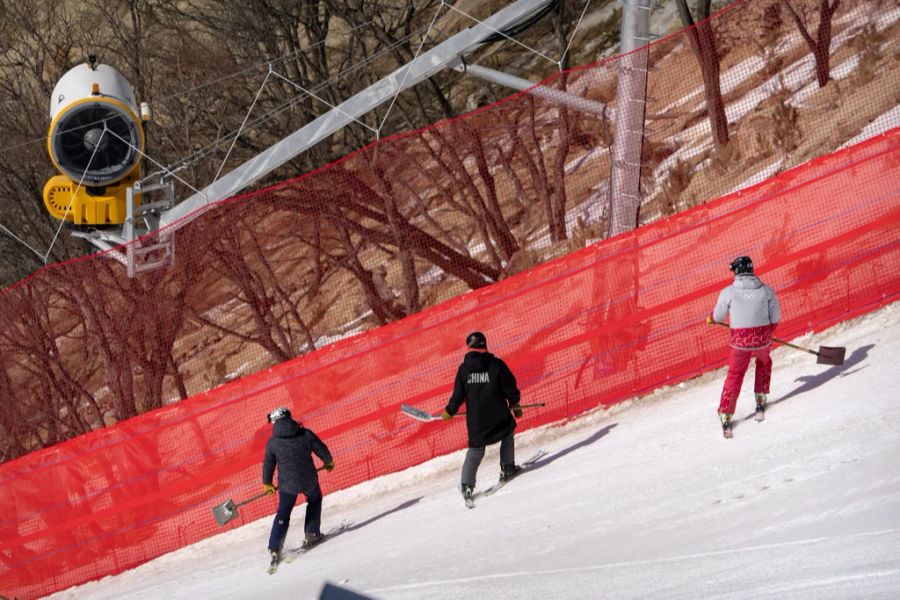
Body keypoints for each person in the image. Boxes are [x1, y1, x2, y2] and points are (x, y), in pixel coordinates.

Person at [442, 331, 524, 502]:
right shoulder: (496, 365)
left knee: (476, 450)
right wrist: (515, 404)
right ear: (485, 345)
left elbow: (458, 396)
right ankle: (507, 466)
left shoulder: (464, 370)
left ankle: (466, 484)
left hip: (477, 422)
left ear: (469, 348)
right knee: (508, 432)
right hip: (499, 415)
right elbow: (510, 386)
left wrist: (450, 410)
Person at [707, 256, 781, 437]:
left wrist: (711, 319)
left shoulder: (728, 292)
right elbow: (776, 317)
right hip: (762, 339)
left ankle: (726, 412)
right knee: (764, 363)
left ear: (737, 271)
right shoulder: (766, 291)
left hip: (740, 342)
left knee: (735, 374)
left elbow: (718, 316)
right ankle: (761, 398)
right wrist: (766, 332)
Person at [262, 407, 335, 565]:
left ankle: (275, 547)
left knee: (283, 513)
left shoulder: (273, 443)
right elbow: (321, 448)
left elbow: (268, 465)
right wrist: (328, 461)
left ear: (274, 423)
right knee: (314, 500)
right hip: (309, 479)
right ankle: (312, 534)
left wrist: (267, 483)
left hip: (287, 486)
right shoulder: (305, 433)